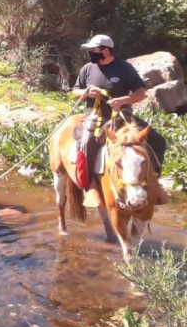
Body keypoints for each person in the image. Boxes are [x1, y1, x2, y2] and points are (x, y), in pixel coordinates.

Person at [71, 34, 167, 207]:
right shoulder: (87, 68)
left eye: (94, 49)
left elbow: (140, 92)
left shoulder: (124, 68)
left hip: (123, 116)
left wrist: (123, 101)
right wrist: (87, 92)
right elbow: (75, 91)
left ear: (106, 50)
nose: (91, 52)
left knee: (158, 141)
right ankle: (91, 186)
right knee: (86, 143)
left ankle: (154, 184)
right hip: (95, 116)